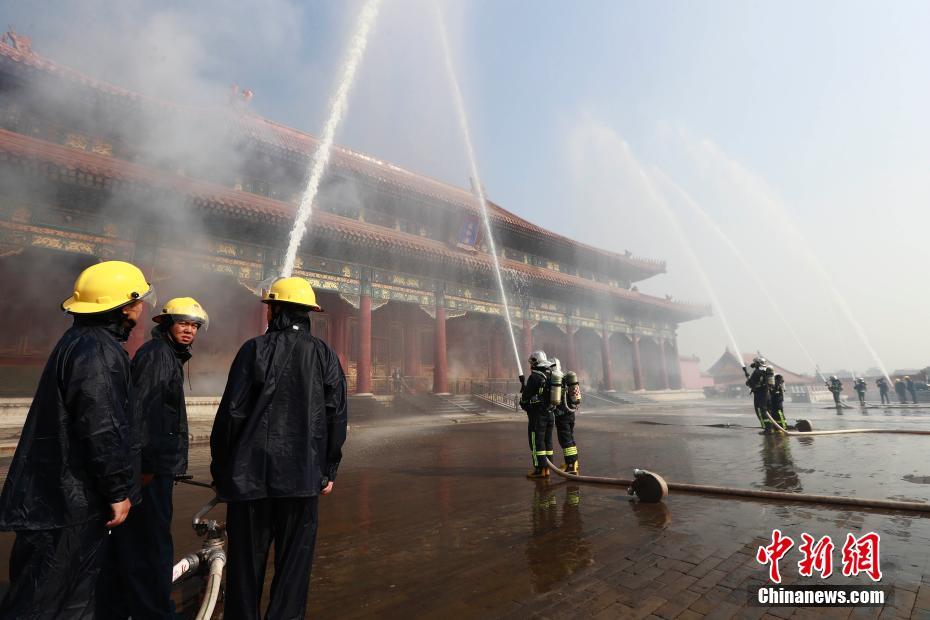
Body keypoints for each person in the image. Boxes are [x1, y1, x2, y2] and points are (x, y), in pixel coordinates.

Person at [0, 260, 153, 618]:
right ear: (125, 305)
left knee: (68, 600)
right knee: (45, 603)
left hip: (55, 498)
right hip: (69, 503)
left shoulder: (78, 341)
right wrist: (118, 491)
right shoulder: (100, 351)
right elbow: (101, 427)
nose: (143, 306)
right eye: (139, 299)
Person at [211, 277, 347, 620]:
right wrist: (329, 469)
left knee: (245, 566)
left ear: (274, 310)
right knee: (294, 566)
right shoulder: (325, 355)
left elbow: (230, 415)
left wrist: (222, 470)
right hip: (302, 478)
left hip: (250, 479)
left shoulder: (252, 350)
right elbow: (336, 417)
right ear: (309, 313)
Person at [98, 297, 208, 619]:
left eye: (194, 325)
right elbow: (143, 415)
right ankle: (156, 612)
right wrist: (143, 468)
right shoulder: (158, 356)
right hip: (149, 471)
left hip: (154, 467)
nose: (189, 330)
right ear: (166, 323)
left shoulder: (165, 355)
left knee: (134, 543)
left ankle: (119, 607)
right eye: (183, 323)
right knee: (151, 546)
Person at [520, 350, 555, 479]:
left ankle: (539, 469)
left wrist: (525, 404)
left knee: (536, 442)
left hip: (537, 416)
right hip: (550, 414)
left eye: (531, 363)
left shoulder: (534, 376)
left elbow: (525, 398)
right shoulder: (550, 374)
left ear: (535, 363)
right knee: (548, 441)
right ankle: (548, 468)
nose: (530, 366)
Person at [551, 358, 582, 474]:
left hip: (562, 415)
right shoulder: (565, 378)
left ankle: (571, 466)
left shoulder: (555, 380)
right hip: (570, 414)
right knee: (570, 438)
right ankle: (574, 462)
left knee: (565, 441)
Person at [745, 356, 770, 431]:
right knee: (767, 411)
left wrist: (748, 378)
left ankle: (767, 428)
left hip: (759, 394)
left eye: (755, 363)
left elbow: (750, 383)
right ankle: (771, 426)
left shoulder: (757, 372)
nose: (753, 364)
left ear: (758, 363)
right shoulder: (767, 370)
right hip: (767, 394)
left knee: (760, 411)